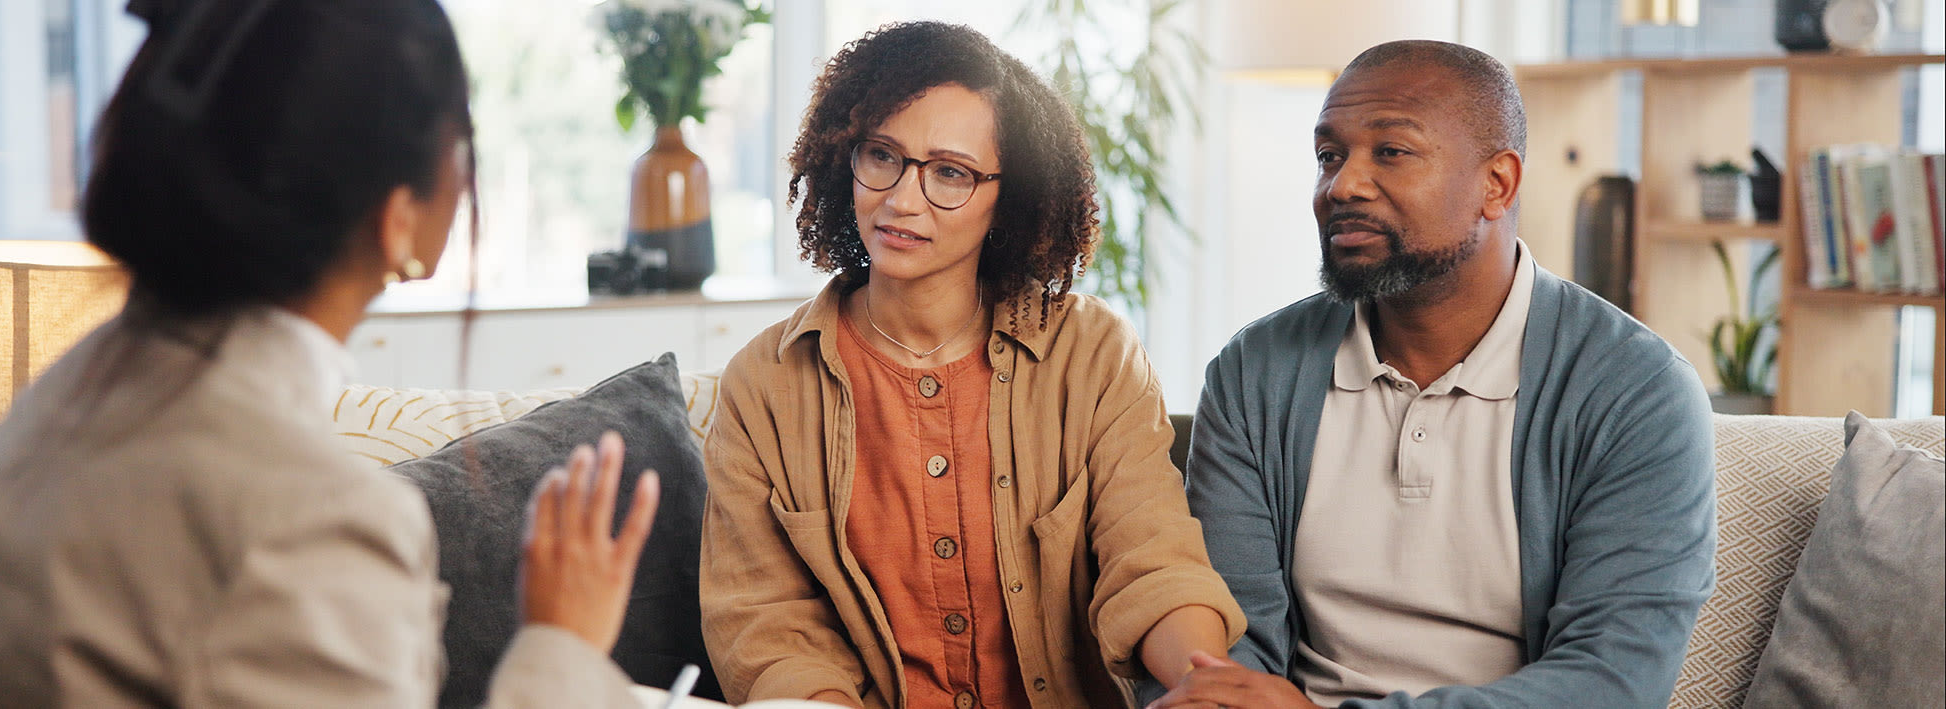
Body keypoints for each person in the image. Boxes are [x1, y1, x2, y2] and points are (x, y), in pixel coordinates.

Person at [0, 1, 658, 706]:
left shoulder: (63, 393)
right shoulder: (313, 517)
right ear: (399, 218)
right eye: (460, 139)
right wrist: (562, 645)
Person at [1147, 40, 1715, 709]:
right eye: (1330, 156)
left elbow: (1612, 681)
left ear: (1496, 184)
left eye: (1390, 151)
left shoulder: (1636, 391)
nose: (1343, 186)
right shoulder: (1255, 373)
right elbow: (1232, 639)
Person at [700, 21, 1244, 709]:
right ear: (847, 158)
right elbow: (767, 630)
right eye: (883, 156)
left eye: (950, 173)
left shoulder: (1094, 354)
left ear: (1007, 198)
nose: (901, 199)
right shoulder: (764, 384)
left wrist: (1203, 679)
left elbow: (1154, 561)